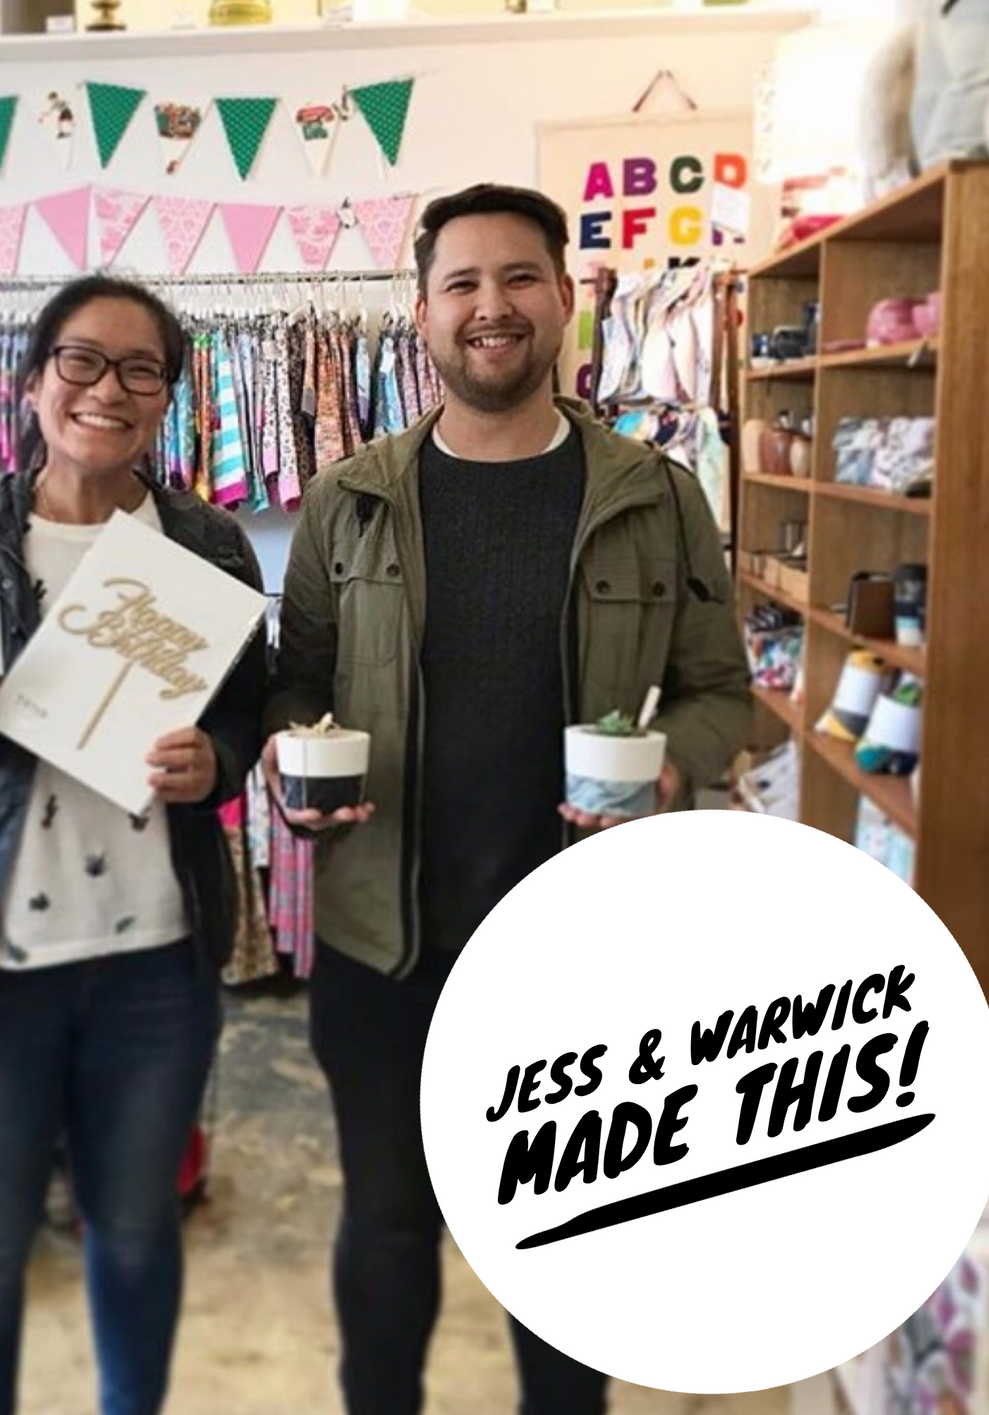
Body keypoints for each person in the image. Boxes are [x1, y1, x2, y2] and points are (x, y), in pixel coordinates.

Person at [263, 183, 752, 1415]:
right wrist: (287, 768)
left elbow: (717, 692)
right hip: (385, 941)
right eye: (462, 284)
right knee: (384, 1235)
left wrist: (673, 772)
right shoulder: (350, 497)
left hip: (582, 957)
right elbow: (296, 688)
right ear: (420, 313)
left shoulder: (655, 492)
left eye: (519, 278)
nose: (492, 306)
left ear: (564, 299)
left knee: (563, 1255)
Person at [0, 274, 266, 1415]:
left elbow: (246, 707)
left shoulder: (210, 549)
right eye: (80, 361)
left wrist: (218, 762)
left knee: (134, 1231)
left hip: (152, 967)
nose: (107, 389)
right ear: (32, 383)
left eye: (142, 369)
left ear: (168, 399)